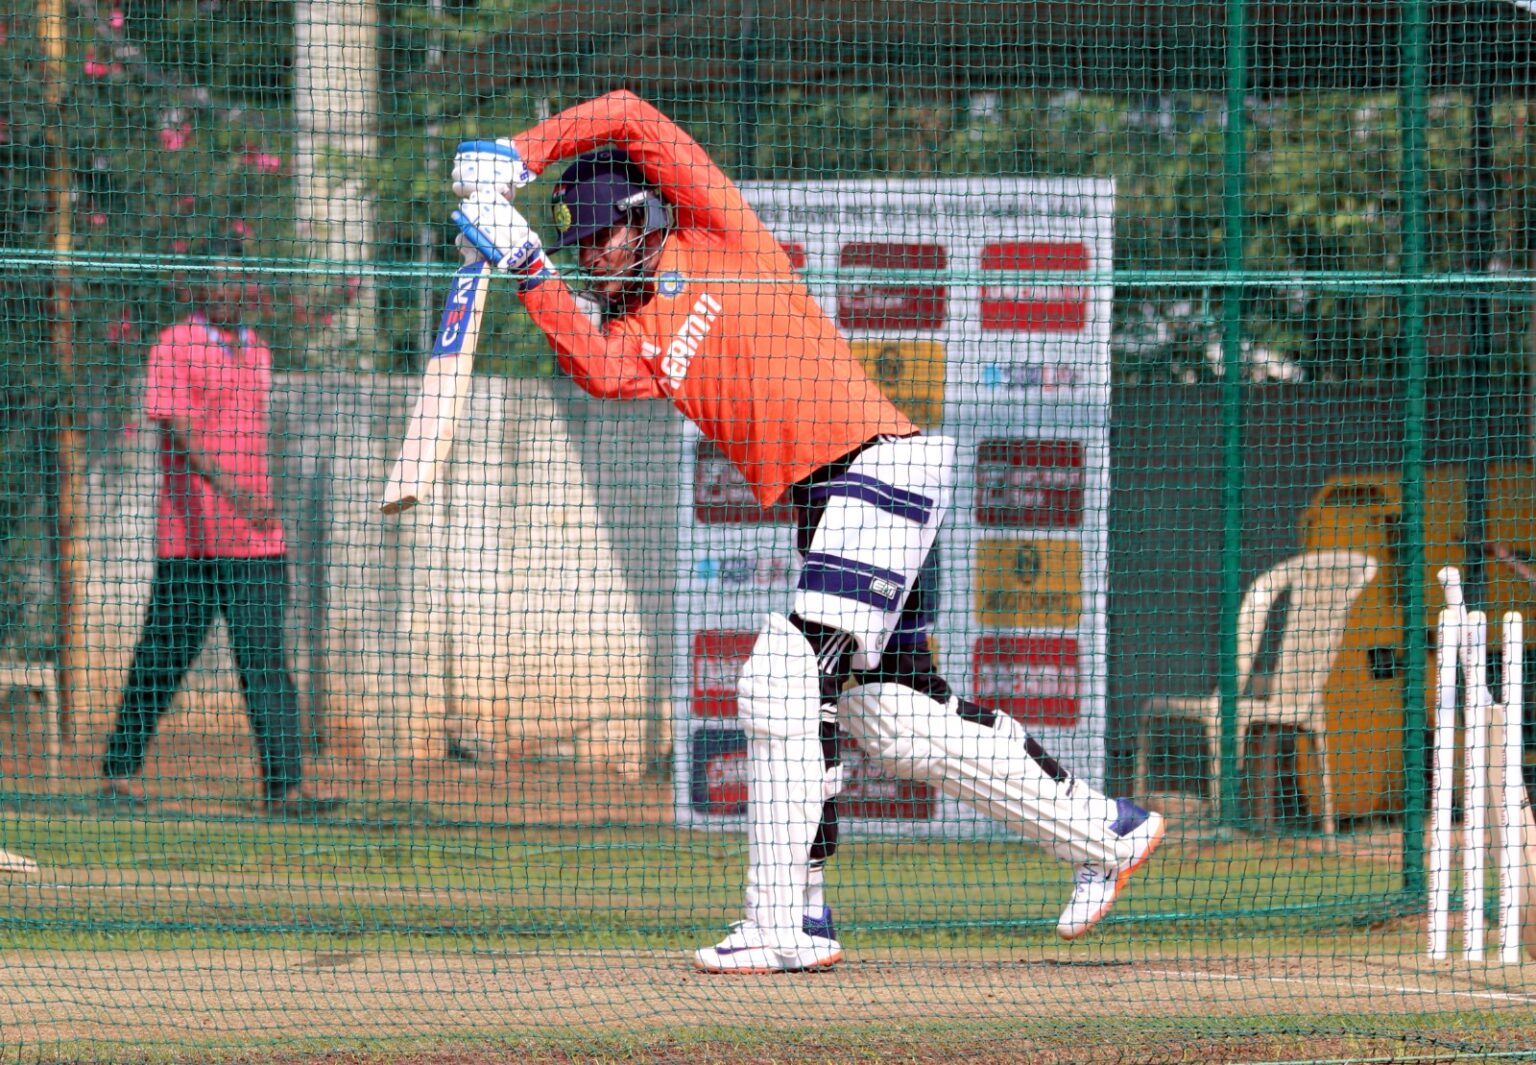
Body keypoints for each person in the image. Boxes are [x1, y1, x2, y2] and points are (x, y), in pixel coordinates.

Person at [448, 91, 1164, 972]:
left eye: (602, 237)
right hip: (828, 505)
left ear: (643, 216)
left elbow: (631, 113)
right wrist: (527, 266)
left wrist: (519, 153)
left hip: (879, 467)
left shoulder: (718, 233)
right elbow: (597, 372)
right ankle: (1105, 831)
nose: (592, 260)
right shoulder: (632, 332)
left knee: (782, 678)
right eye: (579, 249)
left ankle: (786, 919)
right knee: (892, 719)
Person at [99, 238, 340, 818]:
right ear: (198, 287)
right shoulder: (173, 345)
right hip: (190, 545)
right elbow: (180, 433)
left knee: (266, 663)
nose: (228, 289)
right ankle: (118, 774)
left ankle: (285, 789)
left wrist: (256, 501)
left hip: (257, 543)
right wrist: (235, 493)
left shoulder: (259, 350)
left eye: (236, 278)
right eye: (217, 279)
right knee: (162, 659)